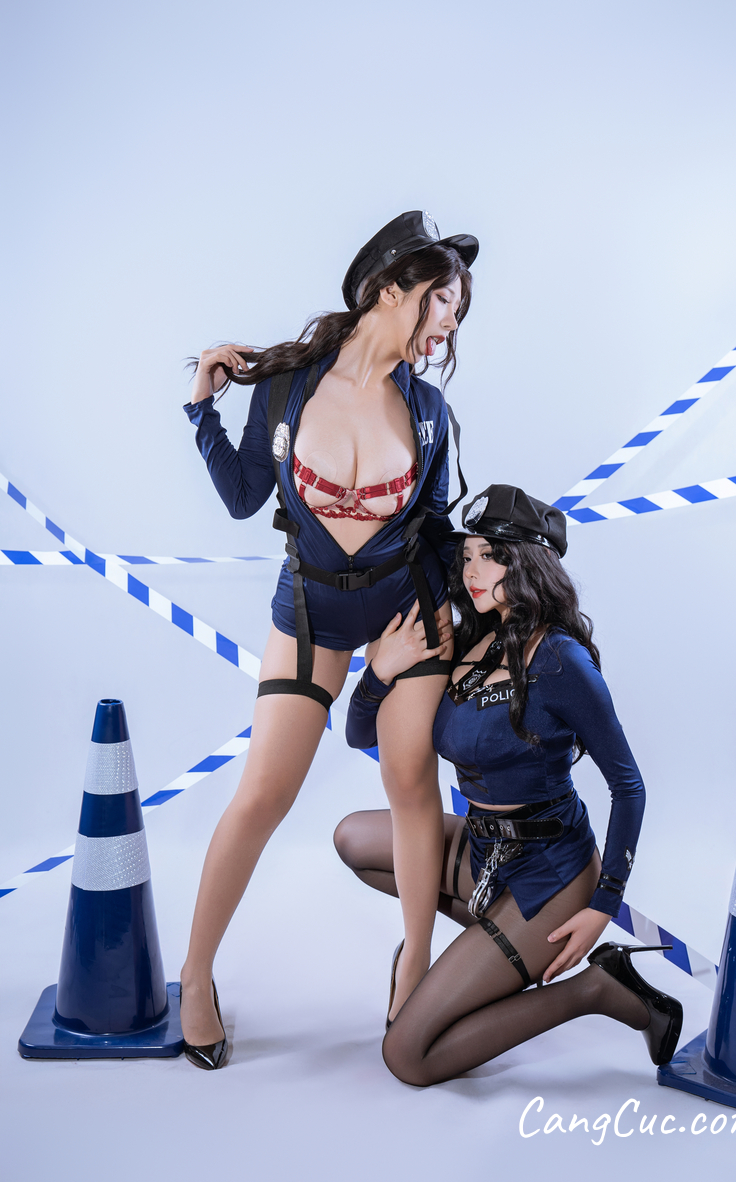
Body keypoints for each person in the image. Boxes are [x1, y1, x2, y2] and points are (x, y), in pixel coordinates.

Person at [179, 211, 478, 1069]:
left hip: (405, 612)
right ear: (389, 290)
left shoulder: (428, 412)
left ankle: (413, 964)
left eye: (458, 310)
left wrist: (442, 631)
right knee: (261, 795)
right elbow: (243, 497)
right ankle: (195, 977)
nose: (450, 323)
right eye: (442, 300)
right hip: (309, 609)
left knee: (411, 783)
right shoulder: (286, 388)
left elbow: (433, 528)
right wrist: (201, 408)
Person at [335, 484, 683, 1086]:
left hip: (549, 876)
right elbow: (360, 734)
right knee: (353, 840)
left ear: (526, 564)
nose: (472, 572)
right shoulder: (470, 640)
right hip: (481, 851)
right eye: (467, 556)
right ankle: (496, 950)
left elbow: (629, 787)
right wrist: (379, 672)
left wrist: (604, 906)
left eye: (490, 557)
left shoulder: (561, 661)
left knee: (407, 1057)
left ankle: (597, 989)